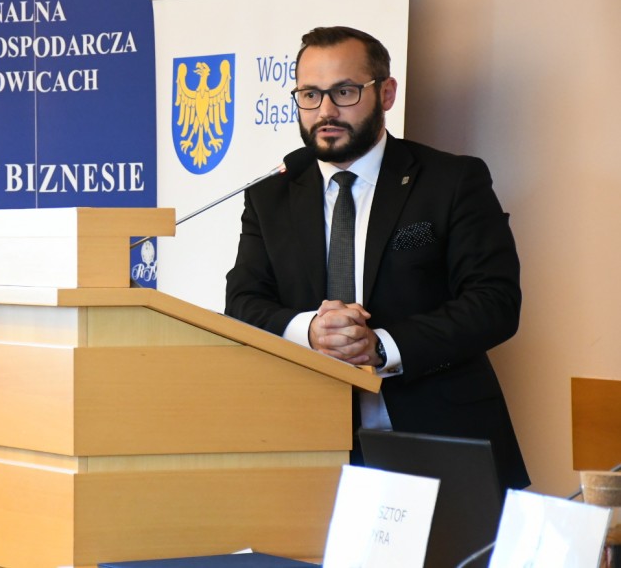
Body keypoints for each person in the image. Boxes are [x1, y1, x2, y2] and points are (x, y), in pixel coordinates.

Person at [225, 25, 529, 489]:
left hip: (439, 438)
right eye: (310, 95)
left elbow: (495, 303)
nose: (325, 111)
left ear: (386, 93)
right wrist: (310, 330)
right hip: (310, 444)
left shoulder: (451, 180)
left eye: (344, 92)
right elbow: (244, 302)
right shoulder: (270, 196)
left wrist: (381, 346)